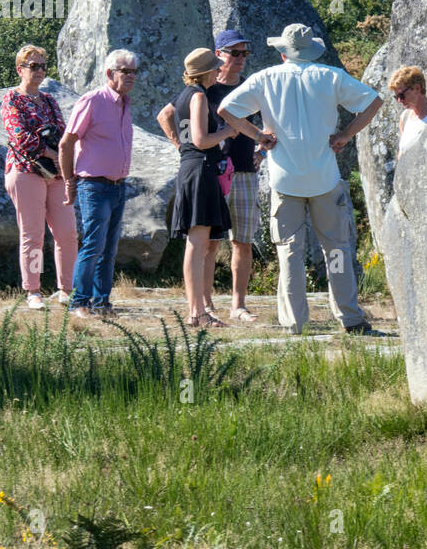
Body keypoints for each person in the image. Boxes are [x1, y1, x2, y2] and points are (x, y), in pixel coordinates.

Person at [218, 23, 383, 334]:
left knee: (290, 252)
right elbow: (374, 101)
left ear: (283, 53)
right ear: (312, 51)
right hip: (324, 176)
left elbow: (226, 109)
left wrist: (258, 135)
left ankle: (295, 322)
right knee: (336, 250)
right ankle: (349, 317)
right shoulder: (330, 76)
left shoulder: (266, 79)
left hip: (284, 177)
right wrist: (346, 135)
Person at [158, 30, 263, 323]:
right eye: (235, 53)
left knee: (240, 240)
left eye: (245, 53)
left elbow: (271, 122)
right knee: (206, 241)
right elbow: (168, 118)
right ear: (217, 57)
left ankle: (233, 306)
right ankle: (203, 307)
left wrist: (261, 152)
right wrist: (185, 145)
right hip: (208, 168)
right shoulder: (201, 94)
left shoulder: (248, 88)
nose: (241, 59)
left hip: (240, 168)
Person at [58, 49, 137, 320]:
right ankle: (79, 302)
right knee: (93, 244)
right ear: (109, 73)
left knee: (109, 248)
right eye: (125, 71)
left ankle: (101, 302)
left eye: (134, 72)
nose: (131, 77)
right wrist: (69, 181)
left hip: (118, 185)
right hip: (94, 185)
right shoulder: (92, 101)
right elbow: (66, 143)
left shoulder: (125, 104)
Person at [1, 45, 77, 310]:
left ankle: (66, 289)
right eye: (33, 66)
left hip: (54, 174)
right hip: (25, 171)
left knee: (67, 233)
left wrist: (63, 160)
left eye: (43, 66)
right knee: (32, 235)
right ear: (20, 69)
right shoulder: (12, 98)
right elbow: (18, 136)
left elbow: (64, 133)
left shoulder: (49, 101)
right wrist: (48, 151)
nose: (39, 71)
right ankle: (33, 291)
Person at [167, 49, 239, 328]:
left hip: (192, 169)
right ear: (208, 71)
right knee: (197, 245)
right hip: (200, 169)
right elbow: (200, 139)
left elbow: (167, 117)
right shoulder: (197, 96)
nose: (219, 70)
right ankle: (197, 312)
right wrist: (229, 131)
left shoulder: (185, 95)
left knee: (197, 244)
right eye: (216, 67)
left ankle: (197, 311)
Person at [388, 65, 427, 156]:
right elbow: (401, 153)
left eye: (401, 95)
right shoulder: (404, 118)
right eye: (396, 97)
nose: (399, 100)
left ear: (417, 88)